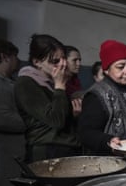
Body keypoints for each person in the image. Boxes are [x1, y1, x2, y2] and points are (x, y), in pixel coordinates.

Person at [78, 40, 126, 171]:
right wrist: (108, 141)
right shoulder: (97, 95)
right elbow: (85, 132)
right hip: (111, 166)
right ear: (106, 70)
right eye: (120, 67)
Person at [14, 34, 81, 163]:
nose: (62, 65)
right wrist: (60, 86)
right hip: (47, 149)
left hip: (66, 146)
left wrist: (73, 115)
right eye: (55, 61)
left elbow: (61, 117)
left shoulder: (52, 81)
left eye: (63, 59)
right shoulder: (26, 83)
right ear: (37, 62)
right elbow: (55, 121)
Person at [0, 39, 25, 186]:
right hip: (2, 161)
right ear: (5, 56)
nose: (18, 61)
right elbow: (2, 117)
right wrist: (32, 120)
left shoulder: (9, 83)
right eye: (15, 57)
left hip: (10, 161)